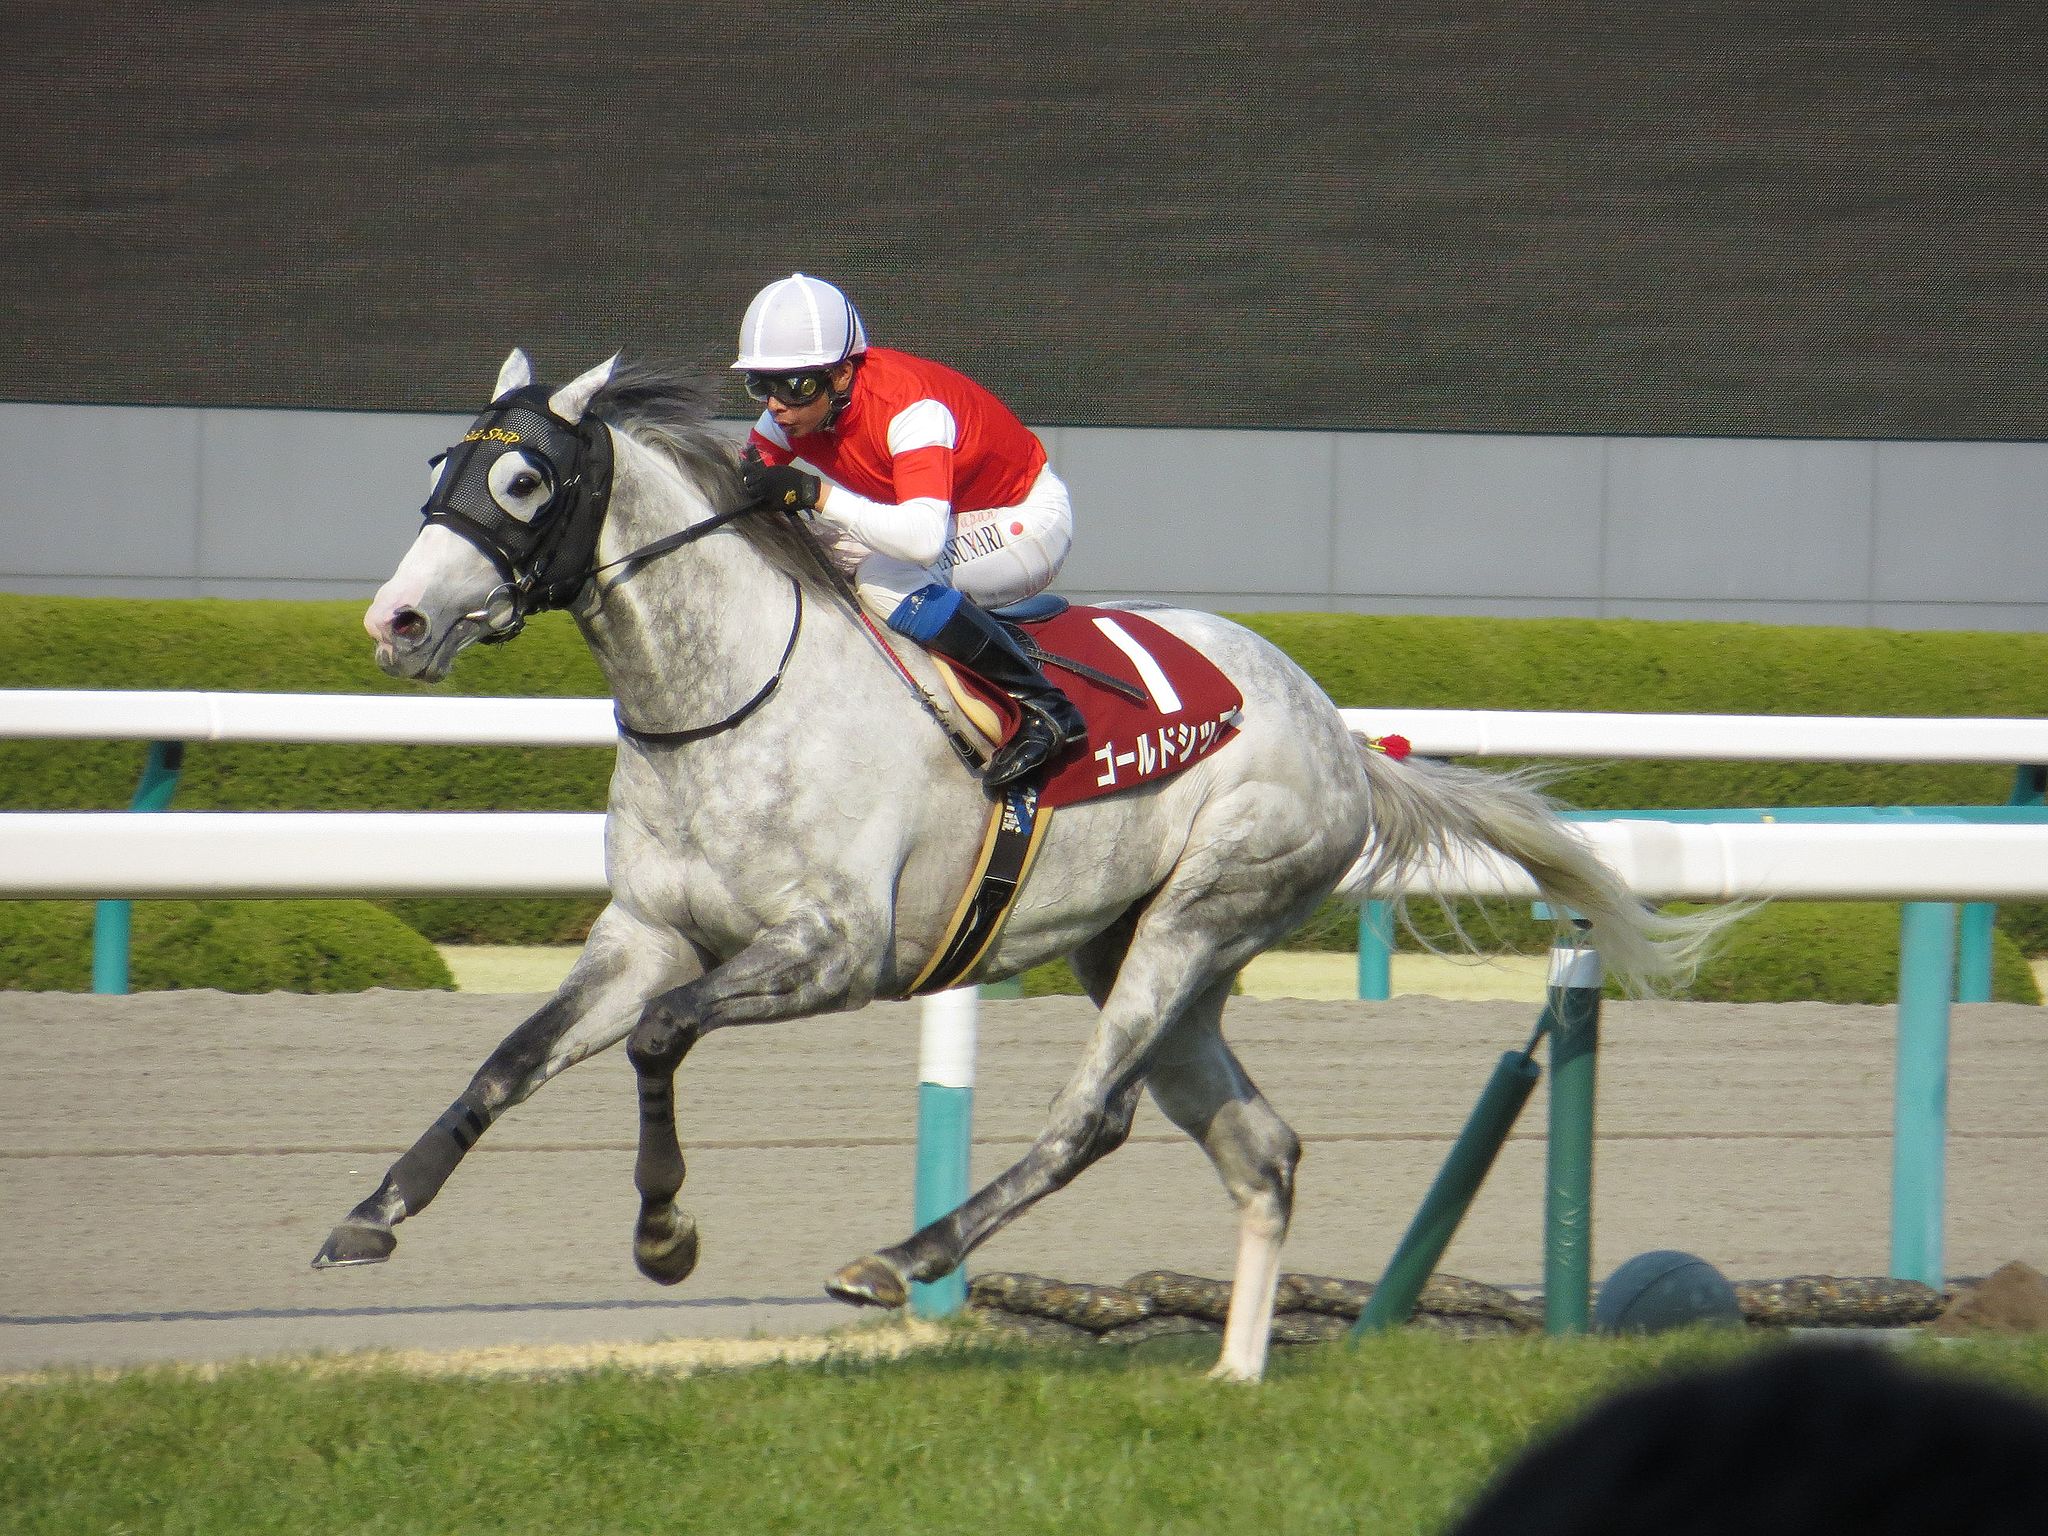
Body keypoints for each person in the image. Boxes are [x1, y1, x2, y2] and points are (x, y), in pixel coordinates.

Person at [731, 272, 1084, 788]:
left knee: (881, 578)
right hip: (949, 517)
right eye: (760, 385)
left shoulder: (910, 409)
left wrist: (817, 494)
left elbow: (921, 540)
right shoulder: (792, 415)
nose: (776, 404)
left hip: (1025, 518)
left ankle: (1047, 710)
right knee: (804, 550)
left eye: (794, 385)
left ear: (843, 375)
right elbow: (743, 483)